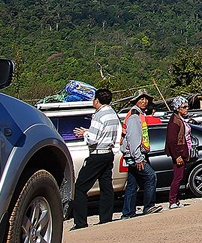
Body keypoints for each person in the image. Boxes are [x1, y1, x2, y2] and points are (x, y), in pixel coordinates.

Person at [70, 87, 121, 230]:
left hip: (97, 154)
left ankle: (80, 222)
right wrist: (88, 131)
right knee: (106, 186)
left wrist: (84, 134)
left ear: (97, 100)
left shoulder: (98, 115)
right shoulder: (112, 113)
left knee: (80, 187)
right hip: (109, 152)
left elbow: (92, 140)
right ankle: (106, 218)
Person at [120, 89, 162, 218]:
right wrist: (138, 158)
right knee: (151, 176)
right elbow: (133, 139)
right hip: (135, 155)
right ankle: (148, 206)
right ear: (136, 101)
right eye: (141, 99)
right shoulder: (134, 117)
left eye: (146, 99)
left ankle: (127, 212)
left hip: (133, 155)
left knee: (132, 184)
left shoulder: (138, 114)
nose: (144, 101)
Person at [165, 96, 192, 209]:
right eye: (184, 107)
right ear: (178, 108)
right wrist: (177, 156)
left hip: (184, 150)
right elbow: (172, 140)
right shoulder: (174, 121)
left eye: (187, 106)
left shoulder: (180, 119)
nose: (186, 109)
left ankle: (176, 199)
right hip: (179, 152)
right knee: (177, 177)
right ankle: (172, 200)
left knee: (180, 177)